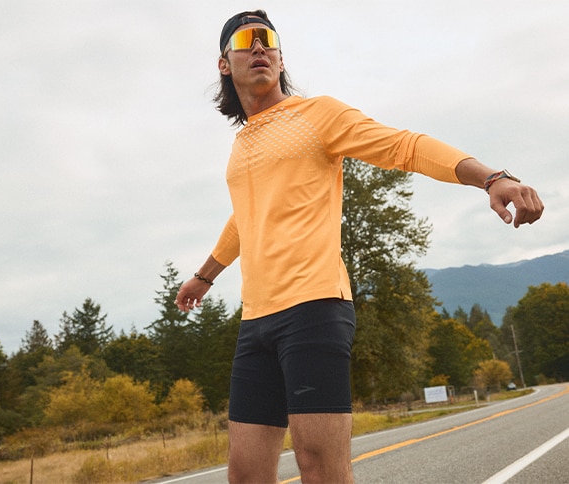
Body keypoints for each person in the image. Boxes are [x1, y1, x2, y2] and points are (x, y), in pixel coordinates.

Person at [175, 10, 544, 483]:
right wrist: (205, 276)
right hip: (255, 322)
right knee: (244, 474)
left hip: (314, 308)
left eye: (269, 39)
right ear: (225, 63)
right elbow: (245, 218)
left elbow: (403, 145)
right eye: (247, 39)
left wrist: (491, 177)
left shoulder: (317, 115)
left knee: (320, 467)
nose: (260, 46)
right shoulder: (243, 143)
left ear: (282, 57)